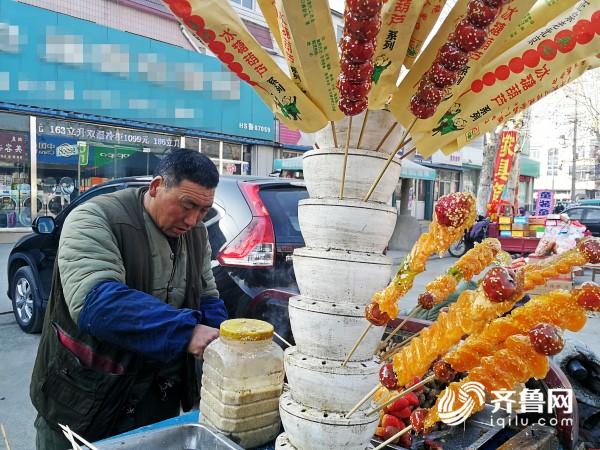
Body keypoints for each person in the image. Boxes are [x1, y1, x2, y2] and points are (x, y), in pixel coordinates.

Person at [30, 149, 228, 449]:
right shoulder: (94, 217)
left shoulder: (197, 233)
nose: (193, 219)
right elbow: (97, 302)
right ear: (156, 186)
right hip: (85, 399)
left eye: (204, 210)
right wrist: (186, 332)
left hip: (155, 401)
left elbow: (206, 293)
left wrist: (228, 337)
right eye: (187, 205)